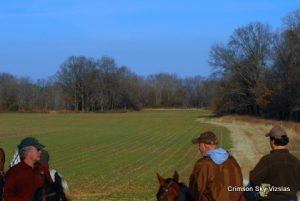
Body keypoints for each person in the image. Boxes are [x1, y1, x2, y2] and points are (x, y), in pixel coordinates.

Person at [189, 131, 246, 201]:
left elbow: (195, 190)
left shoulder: (203, 164)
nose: (199, 148)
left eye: (199, 145)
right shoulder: (232, 161)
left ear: (204, 146)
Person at [249, 126, 300, 201]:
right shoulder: (296, 161)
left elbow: (254, 180)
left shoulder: (267, 160)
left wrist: (265, 192)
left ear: (272, 141)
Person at [4, 137, 52, 201]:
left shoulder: (43, 169)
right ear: (28, 152)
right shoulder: (13, 173)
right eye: (38, 149)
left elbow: (52, 189)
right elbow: (7, 197)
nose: (41, 151)